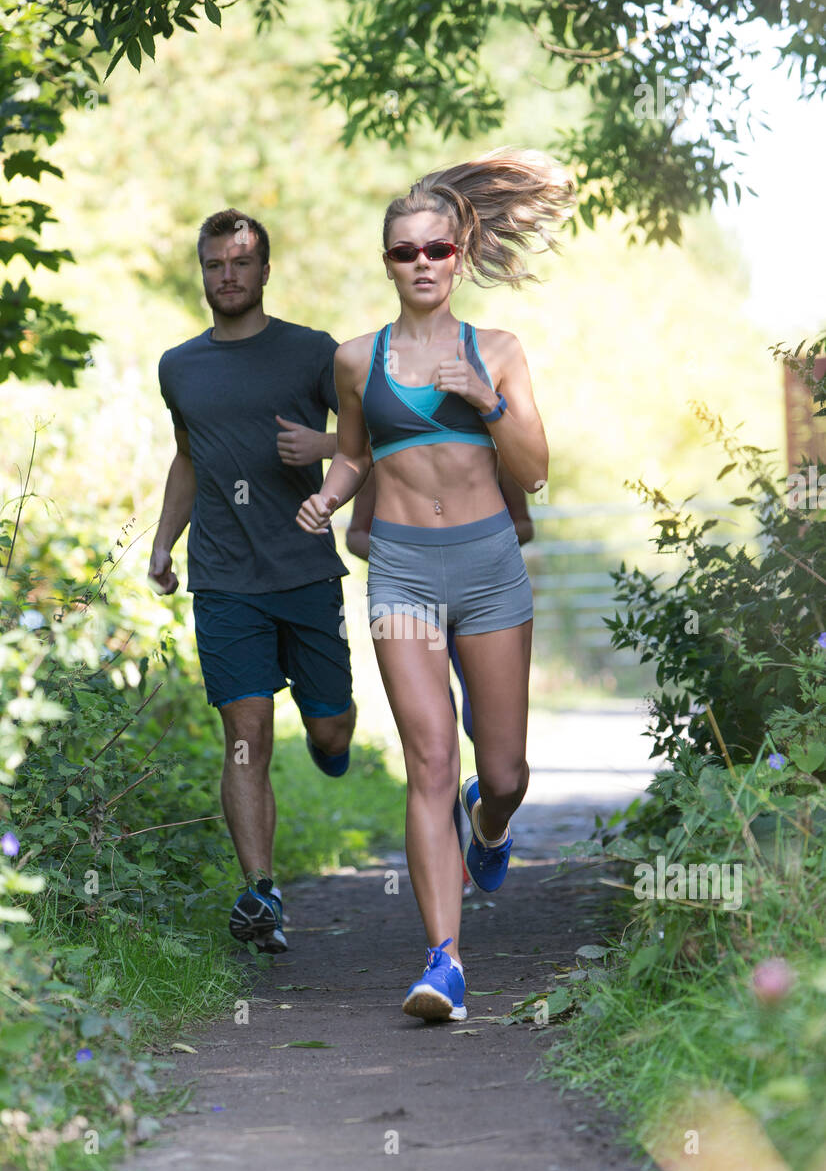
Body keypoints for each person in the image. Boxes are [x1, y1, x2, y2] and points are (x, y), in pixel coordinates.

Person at [297, 148, 574, 1022]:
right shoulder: (354, 359)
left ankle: (489, 828)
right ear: (388, 263)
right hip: (406, 575)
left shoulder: (497, 349)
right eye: (403, 252)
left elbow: (531, 472)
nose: (421, 264)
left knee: (503, 771)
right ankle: (443, 963)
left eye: (435, 251)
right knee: (429, 759)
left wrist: (487, 401)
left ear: (460, 253)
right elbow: (353, 451)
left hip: (491, 571)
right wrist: (327, 498)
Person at [150, 209, 357, 955]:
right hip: (225, 578)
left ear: (265, 270)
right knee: (245, 734)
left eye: (240, 263)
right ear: (202, 272)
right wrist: (163, 545)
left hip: (305, 570)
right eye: (214, 265)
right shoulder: (180, 365)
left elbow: (374, 438)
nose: (227, 276)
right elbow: (188, 458)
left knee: (329, 725)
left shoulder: (312, 353)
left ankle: (333, 742)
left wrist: (325, 443)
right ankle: (261, 892)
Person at [346, 463, 535, 898]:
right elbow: (356, 533)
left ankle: (487, 821)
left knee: (483, 735)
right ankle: (452, 868)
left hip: (483, 601)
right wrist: (407, 555)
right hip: (410, 599)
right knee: (434, 746)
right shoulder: (388, 450)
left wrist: (469, 548)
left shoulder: (489, 446)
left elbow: (523, 523)